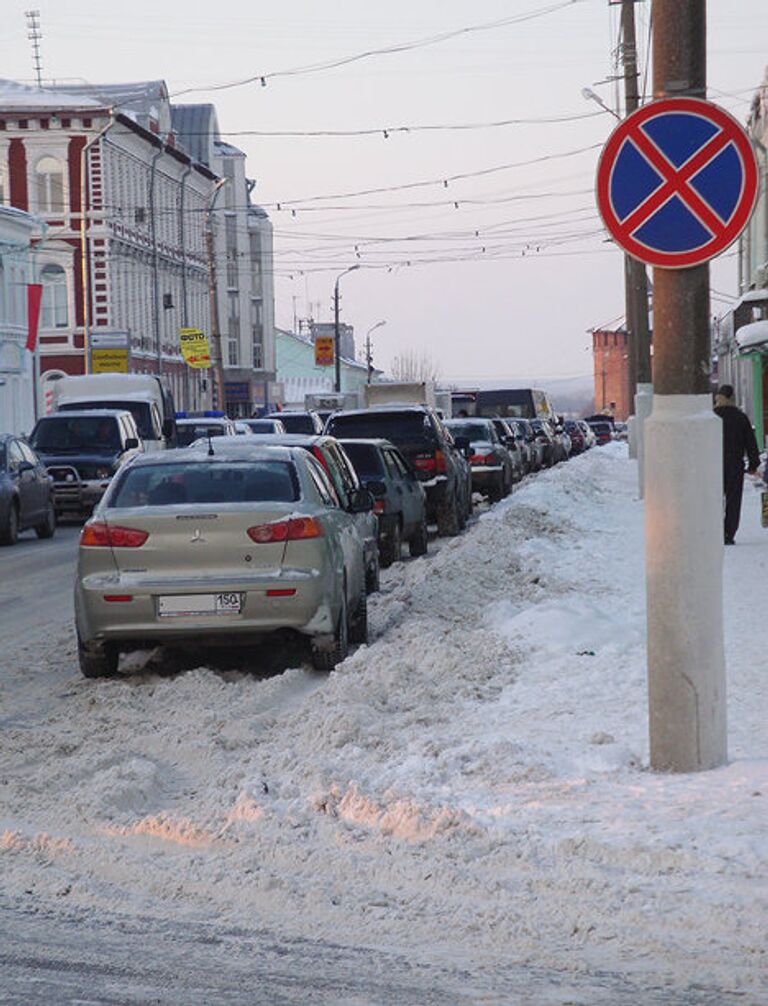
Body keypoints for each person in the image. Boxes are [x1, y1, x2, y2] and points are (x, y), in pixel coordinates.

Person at [714, 384, 760, 544]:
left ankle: (713, 530)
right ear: (732, 398)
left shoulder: (712, 417)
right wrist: (753, 464)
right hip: (734, 463)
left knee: (714, 498)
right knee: (734, 500)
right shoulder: (740, 417)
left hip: (714, 464)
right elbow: (751, 443)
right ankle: (728, 533)